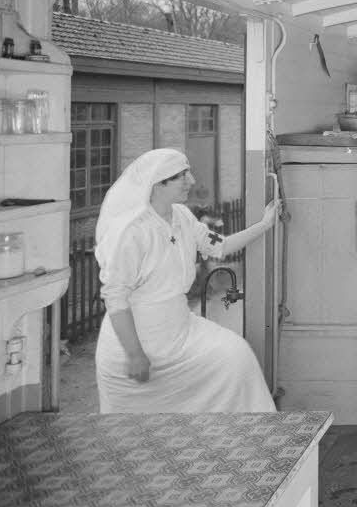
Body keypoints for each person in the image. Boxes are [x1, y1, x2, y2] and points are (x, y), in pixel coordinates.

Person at [94, 148, 281, 414]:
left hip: (181, 333)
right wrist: (135, 355)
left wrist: (264, 225)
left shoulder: (182, 217)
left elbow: (220, 245)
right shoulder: (132, 232)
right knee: (137, 428)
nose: (191, 181)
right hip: (137, 343)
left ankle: (244, 442)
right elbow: (115, 298)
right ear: (158, 183)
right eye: (181, 176)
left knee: (236, 356)